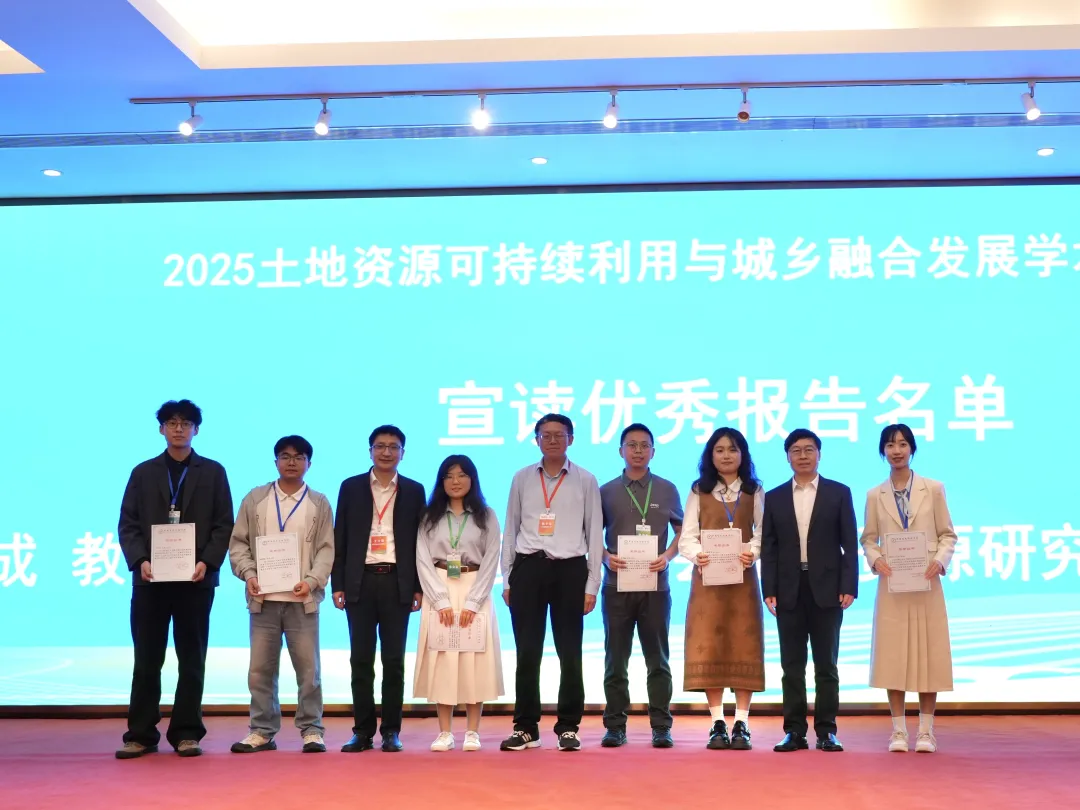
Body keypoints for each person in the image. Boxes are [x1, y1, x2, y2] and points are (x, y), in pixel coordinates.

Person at [115, 399, 234, 759]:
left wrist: (207, 562)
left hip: (195, 581)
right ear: (161, 429)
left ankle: (186, 732)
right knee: (146, 660)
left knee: (192, 659)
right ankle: (141, 734)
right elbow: (128, 523)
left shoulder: (213, 472)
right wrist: (140, 560)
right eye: (172, 422)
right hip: (150, 581)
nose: (179, 428)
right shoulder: (143, 472)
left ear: (196, 429)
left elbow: (223, 524)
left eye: (186, 423)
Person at [500, 414, 603, 752]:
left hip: (570, 570)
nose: (554, 440)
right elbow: (511, 527)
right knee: (527, 652)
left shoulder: (586, 479)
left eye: (560, 435)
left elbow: (594, 533)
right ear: (537, 439)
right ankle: (525, 727)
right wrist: (507, 577)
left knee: (570, 652)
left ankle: (568, 727)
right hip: (528, 567)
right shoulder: (522, 478)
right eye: (547, 435)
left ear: (571, 439)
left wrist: (592, 585)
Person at [228, 435, 335, 754]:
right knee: (260, 670)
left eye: (299, 457)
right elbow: (238, 543)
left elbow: (327, 549)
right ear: (275, 461)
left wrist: (312, 581)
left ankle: (312, 729)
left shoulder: (319, 503)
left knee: (309, 672)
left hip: (302, 601)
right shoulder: (256, 499)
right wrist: (249, 574)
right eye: (285, 456)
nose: (292, 462)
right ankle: (262, 730)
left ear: (309, 464)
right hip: (264, 600)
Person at [861, 423, 957, 754]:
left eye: (902, 444)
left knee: (929, 655)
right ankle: (898, 731)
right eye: (890, 445)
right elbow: (868, 538)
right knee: (893, 656)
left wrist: (940, 561)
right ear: (883, 451)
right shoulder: (875, 495)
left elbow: (948, 534)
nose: (897, 450)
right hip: (893, 585)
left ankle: (926, 731)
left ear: (912, 449)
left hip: (926, 582)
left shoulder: (933, 489)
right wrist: (876, 559)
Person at [761, 428, 858, 753]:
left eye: (809, 450)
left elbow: (849, 544)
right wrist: (768, 588)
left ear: (819, 454)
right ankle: (794, 731)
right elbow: (769, 547)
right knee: (791, 666)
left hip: (828, 589)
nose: (802, 456)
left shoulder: (839, 492)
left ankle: (827, 731)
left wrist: (849, 585)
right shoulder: (774, 497)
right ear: (787, 457)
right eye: (796, 451)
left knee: (826, 665)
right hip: (788, 588)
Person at [332, 425, 426, 753]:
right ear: (370, 450)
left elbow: (420, 543)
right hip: (360, 581)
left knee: (394, 661)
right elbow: (340, 537)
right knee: (360, 659)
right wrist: (338, 583)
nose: (386, 452)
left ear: (403, 453)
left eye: (393, 447)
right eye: (380, 446)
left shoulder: (414, 490)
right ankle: (362, 731)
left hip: (398, 582)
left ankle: (391, 731)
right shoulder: (351, 487)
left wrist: (417, 587)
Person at [679, 427, 765, 750]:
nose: (726, 455)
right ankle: (717, 721)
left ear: (743, 454)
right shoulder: (699, 490)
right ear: (710, 456)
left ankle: (742, 721)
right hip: (708, 582)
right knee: (708, 646)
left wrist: (752, 552)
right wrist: (696, 554)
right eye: (719, 450)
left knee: (745, 645)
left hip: (743, 581)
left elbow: (763, 531)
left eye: (732, 449)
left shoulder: (754, 490)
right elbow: (687, 535)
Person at [599, 423, 683, 749]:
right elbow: (590, 534)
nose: (638, 451)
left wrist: (668, 556)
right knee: (615, 660)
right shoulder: (605, 491)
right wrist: (605, 557)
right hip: (616, 586)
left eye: (644, 445)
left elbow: (684, 531)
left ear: (653, 451)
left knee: (658, 660)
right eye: (631, 445)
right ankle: (615, 726)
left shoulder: (667, 489)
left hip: (656, 587)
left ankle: (661, 726)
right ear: (620, 450)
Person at [413, 455, 504, 752]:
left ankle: (472, 731)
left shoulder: (486, 515)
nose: (455, 481)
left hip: (474, 586)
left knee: (474, 659)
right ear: (441, 481)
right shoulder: (429, 516)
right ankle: (445, 732)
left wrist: (474, 601)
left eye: (462, 475)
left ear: (472, 479)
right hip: (439, 586)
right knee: (443, 657)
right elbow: (422, 558)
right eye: (449, 476)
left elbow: (492, 559)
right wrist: (439, 600)